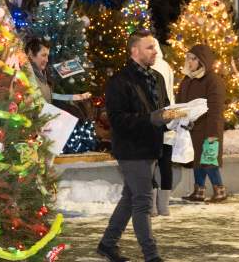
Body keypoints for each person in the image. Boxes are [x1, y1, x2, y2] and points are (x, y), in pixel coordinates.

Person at [97, 30, 179, 262]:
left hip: (152, 147)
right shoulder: (119, 81)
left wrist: (180, 119)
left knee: (130, 197)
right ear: (135, 51)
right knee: (143, 201)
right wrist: (151, 119)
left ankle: (107, 244)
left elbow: (163, 110)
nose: (155, 52)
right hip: (131, 150)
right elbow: (117, 120)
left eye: (155, 47)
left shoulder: (157, 78)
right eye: (149, 47)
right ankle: (151, 256)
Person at [177, 44, 227, 203]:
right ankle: (198, 190)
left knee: (208, 160)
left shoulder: (213, 81)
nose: (190, 62)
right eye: (188, 58)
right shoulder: (187, 80)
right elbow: (180, 103)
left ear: (202, 61)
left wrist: (213, 133)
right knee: (197, 160)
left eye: (194, 59)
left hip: (208, 128)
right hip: (192, 128)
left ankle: (220, 190)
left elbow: (216, 109)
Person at [150, 40, 176, 216]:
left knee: (150, 164)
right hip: (169, 119)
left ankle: (151, 207)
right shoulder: (166, 66)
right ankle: (164, 207)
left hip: (155, 122)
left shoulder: (151, 69)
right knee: (166, 164)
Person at [24, 37, 91, 103]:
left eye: (47, 56)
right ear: (31, 55)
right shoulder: (26, 75)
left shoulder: (42, 72)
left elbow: (48, 96)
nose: (47, 60)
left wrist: (76, 97)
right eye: (43, 55)